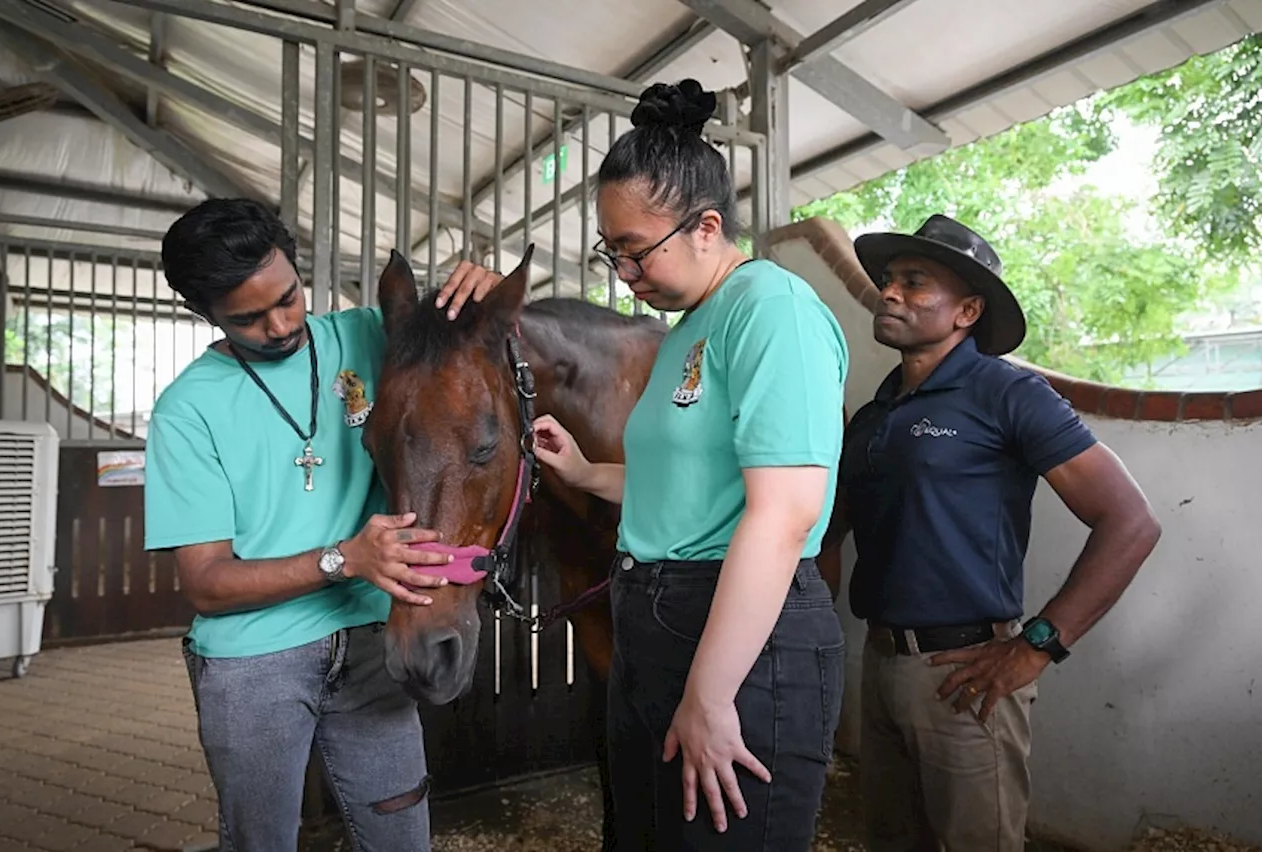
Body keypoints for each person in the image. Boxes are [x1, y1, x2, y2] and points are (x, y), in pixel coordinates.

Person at [531, 79, 849, 851]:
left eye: (635, 251)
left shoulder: (772, 309)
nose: (624, 274)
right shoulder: (687, 327)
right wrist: (582, 474)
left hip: (742, 634)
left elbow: (784, 513)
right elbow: (688, 485)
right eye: (612, 252)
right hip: (656, 618)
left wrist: (710, 694)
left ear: (706, 226)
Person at [143, 197, 502, 851]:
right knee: (262, 842)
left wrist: (483, 288)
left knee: (402, 838)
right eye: (248, 318)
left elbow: (466, 365)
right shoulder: (186, 411)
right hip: (254, 666)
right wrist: (343, 560)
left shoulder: (369, 335)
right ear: (205, 313)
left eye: (289, 297)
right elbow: (205, 582)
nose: (281, 325)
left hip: (370, 645)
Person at [823, 214, 1162, 851]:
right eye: (890, 279)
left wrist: (1036, 646)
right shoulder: (873, 415)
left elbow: (1131, 522)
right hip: (880, 662)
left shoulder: (1009, 395)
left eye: (915, 282)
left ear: (968, 310)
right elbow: (827, 532)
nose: (890, 292)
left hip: (966, 674)